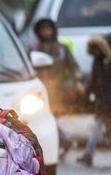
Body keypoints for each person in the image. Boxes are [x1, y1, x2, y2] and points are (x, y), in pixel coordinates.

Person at [77, 36, 111, 167]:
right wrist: (86, 92)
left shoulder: (110, 63)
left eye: (97, 48)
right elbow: (93, 81)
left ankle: (88, 155)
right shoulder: (96, 62)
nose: (95, 51)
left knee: (97, 128)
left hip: (108, 104)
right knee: (110, 130)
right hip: (100, 102)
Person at [32, 18, 82, 160]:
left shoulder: (62, 49)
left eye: (48, 28)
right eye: (43, 29)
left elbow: (74, 69)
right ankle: (63, 142)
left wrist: (72, 84)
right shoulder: (33, 49)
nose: (46, 32)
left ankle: (64, 141)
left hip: (58, 92)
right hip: (38, 93)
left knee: (50, 120)